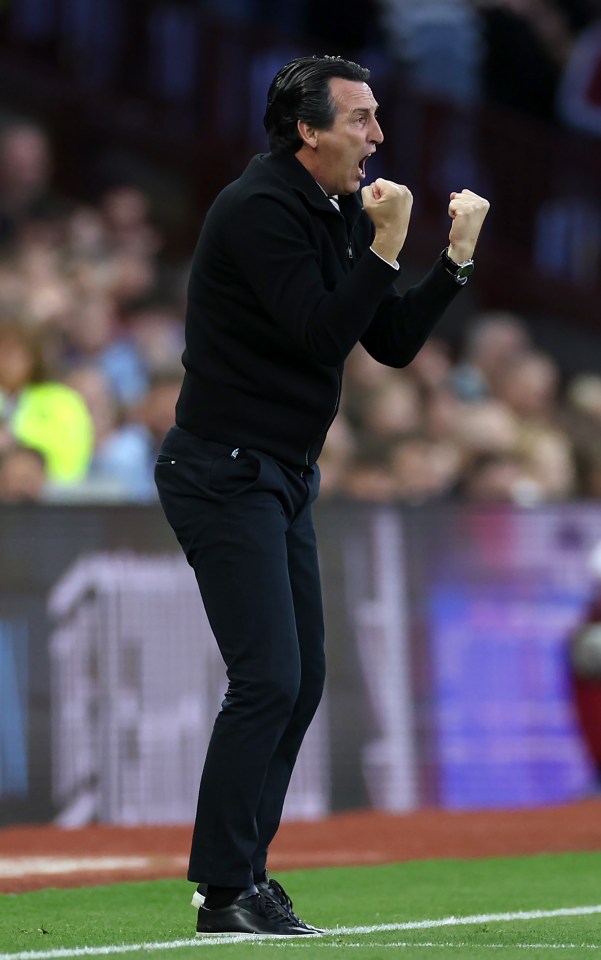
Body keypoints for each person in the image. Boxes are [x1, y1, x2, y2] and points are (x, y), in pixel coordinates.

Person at [154, 54, 489, 938]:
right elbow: (316, 333)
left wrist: (451, 261)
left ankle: (244, 880)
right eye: (360, 120)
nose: (376, 136)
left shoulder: (332, 204)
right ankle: (225, 889)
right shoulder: (260, 207)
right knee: (268, 676)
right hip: (222, 469)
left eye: (375, 118)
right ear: (307, 129)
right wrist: (385, 245)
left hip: (279, 473)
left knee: (298, 683)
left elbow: (386, 344)